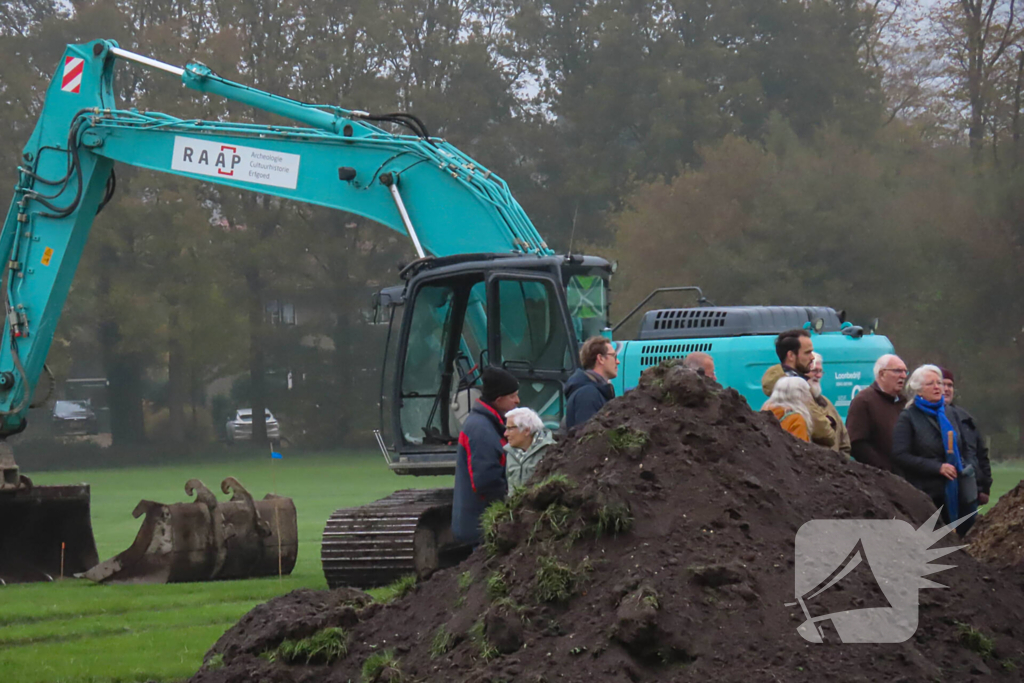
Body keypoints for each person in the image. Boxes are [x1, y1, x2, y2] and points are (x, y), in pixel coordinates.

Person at [892, 365, 979, 535]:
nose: (938, 387)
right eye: (931, 384)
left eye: (939, 382)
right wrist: (937, 467)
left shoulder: (950, 413)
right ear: (918, 390)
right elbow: (900, 455)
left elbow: (965, 446)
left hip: (958, 489)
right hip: (928, 495)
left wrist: (966, 467)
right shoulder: (908, 417)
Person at [452, 366, 520, 545]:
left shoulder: (489, 424)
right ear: (498, 400)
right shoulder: (481, 430)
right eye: (512, 396)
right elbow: (486, 481)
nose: (517, 401)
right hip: (482, 527)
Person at [761, 329, 835, 449]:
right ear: (791, 355)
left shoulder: (784, 388)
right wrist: (830, 424)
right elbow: (824, 432)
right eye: (807, 353)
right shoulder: (796, 390)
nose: (812, 357)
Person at [845, 353, 907, 472]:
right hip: (879, 478)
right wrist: (884, 469)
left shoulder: (903, 402)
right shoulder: (864, 400)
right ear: (882, 374)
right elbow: (857, 443)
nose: (903, 376)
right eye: (898, 371)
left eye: (905, 372)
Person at [941, 367, 992, 505]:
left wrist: (984, 487)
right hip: (943, 492)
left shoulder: (966, 419)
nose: (946, 389)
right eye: (942, 384)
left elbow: (981, 455)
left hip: (970, 491)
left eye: (950, 385)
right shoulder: (922, 418)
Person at [564, 336, 618, 429]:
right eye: (614, 356)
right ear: (600, 358)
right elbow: (588, 439)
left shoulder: (594, 392)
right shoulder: (588, 395)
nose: (618, 362)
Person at [807, 353, 852, 458]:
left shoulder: (827, 403)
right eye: (814, 371)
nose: (818, 376)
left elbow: (844, 443)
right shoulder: (798, 402)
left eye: (820, 371)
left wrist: (839, 465)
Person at [504, 407, 556, 492]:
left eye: (510, 429)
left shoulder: (550, 450)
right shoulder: (510, 453)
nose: (505, 434)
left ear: (527, 430)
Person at [761, 376, 813, 442]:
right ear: (799, 395)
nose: (810, 397)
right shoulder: (796, 419)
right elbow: (800, 448)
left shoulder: (765, 410)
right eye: (807, 392)